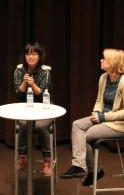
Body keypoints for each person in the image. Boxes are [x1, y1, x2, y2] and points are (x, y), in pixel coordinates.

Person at [60, 48, 124, 186]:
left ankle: (88, 170)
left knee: (85, 135)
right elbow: (99, 100)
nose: (101, 60)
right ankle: (84, 167)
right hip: (102, 117)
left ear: (113, 62)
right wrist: (96, 113)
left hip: (118, 123)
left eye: (104, 58)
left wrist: (103, 117)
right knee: (77, 125)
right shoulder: (104, 77)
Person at [14, 42, 53, 176]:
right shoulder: (19, 70)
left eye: (34, 53)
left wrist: (33, 84)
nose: (31, 56)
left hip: (44, 107)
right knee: (24, 124)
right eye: (28, 53)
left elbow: (43, 94)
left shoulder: (45, 71)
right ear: (24, 56)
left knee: (41, 126)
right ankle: (22, 157)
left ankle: (47, 160)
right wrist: (25, 82)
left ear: (39, 56)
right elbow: (18, 95)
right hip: (26, 108)